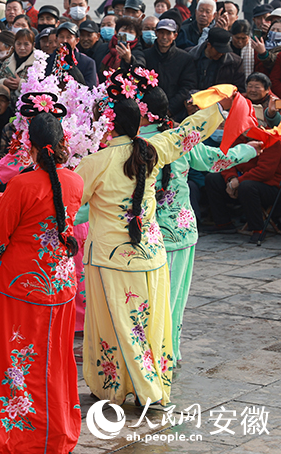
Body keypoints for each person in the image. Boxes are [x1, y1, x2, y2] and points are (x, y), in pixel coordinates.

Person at [74, 81, 228, 407]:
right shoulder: (152, 149)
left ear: (107, 125)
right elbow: (192, 131)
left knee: (116, 325)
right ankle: (145, 384)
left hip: (109, 259)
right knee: (149, 324)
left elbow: (62, 202)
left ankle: (131, 388)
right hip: (152, 254)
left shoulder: (95, 163)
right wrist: (219, 104)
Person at [0, 112, 82, 454]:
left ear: (27, 146)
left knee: (15, 362)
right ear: (62, 145)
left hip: (20, 289)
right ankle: (53, 432)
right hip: (59, 287)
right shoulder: (74, 182)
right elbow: (46, 205)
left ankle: (17, 435)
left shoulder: (21, 185)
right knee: (53, 362)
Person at [138, 87, 259, 361]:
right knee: (175, 297)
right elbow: (215, 161)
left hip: (145, 231)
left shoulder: (132, 142)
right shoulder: (180, 138)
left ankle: (147, 354)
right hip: (180, 230)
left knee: (147, 300)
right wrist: (247, 151)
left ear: (142, 113)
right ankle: (170, 351)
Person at [143, 19, 197, 121]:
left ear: (175, 36)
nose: (164, 37)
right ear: (156, 33)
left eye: (168, 33)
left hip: (176, 114)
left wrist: (170, 109)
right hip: (148, 113)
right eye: (161, 33)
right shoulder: (146, 56)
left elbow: (187, 86)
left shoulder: (185, 58)